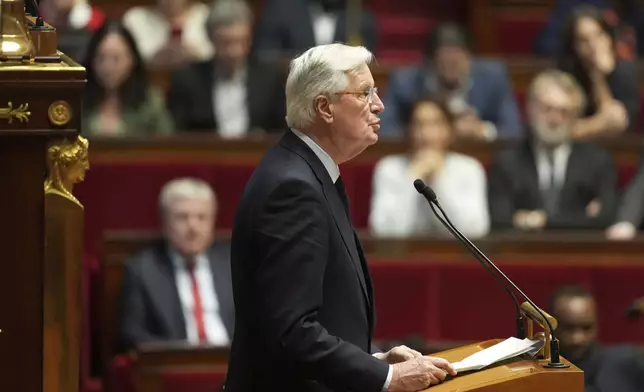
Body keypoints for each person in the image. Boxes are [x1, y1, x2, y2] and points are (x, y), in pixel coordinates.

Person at [225, 43, 457, 392]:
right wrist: (388, 378)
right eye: (365, 93)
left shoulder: (309, 172)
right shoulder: (293, 187)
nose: (379, 105)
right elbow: (291, 332)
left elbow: (322, 318)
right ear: (325, 107)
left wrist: (374, 361)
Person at [488, 69, 618, 231]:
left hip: (580, 253)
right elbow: (500, 219)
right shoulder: (507, 161)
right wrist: (581, 218)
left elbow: (605, 218)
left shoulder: (598, 161)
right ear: (530, 109)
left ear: (576, 118)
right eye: (547, 109)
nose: (554, 119)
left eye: (564, 112)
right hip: (523, 252)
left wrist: (537, 221)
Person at [118, 178, 234, 351]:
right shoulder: (142, 269)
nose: (193, 227)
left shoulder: (235, 263)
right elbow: (132, 334)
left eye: (202, 217)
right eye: (182, 217)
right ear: (164, 223)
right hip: (176, 367)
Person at [369, 98, 489, 238]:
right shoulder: (389, 168)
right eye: (419, 124)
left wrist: (439, 180)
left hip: (455, 255)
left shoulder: (469, 168)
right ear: (409, 131)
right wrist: (412, 177)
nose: (426, 133)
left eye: (435, 124)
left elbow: (474, 230)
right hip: (404, 255)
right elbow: (384, 231)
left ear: (449, 130)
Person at [379, 23, 521, 140]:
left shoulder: (493, 78)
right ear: (430, 62)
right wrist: (424, 131)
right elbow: (385, 129)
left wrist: (482, 130)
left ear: (469, 58)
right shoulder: (405, 82)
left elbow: (513, 129)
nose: (452, 71)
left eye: (457, 63)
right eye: (444, 63)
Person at [167, 0, 286, 135]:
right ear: (211, 39)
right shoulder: (188, 80)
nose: (234, 51)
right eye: (225, 43)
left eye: (241, 41)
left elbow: (280, 131)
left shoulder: (269, 78)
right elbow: (180, 134)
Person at [556, 5, 639, 138]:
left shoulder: (624, 71)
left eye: (598, 35)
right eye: (584, 40)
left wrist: (598, 76)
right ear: (574, 47)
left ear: (608, 38)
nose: (593, 45)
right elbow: (560, 128)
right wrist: (599, 125)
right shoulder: (565, 74)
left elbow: (617, 123)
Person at [81, 21, 174, 137]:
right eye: (101, 58)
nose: (107, 67)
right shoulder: (77, 101)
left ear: (132, 60)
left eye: (116, 59)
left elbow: (166, 145)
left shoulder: (151, 102)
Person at [549, 286, 644, 391]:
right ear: (549, 327)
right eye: (568, 328)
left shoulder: (630, 364)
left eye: (587, 328)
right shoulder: (535, 375)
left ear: (597, 324)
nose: (577, 339)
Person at [122, 0, 213, 66]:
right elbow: (125, 61)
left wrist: (194, 54)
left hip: (199, 83)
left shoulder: (204, 14)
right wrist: (156, 59)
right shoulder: (135, 18)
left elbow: (216, 55)